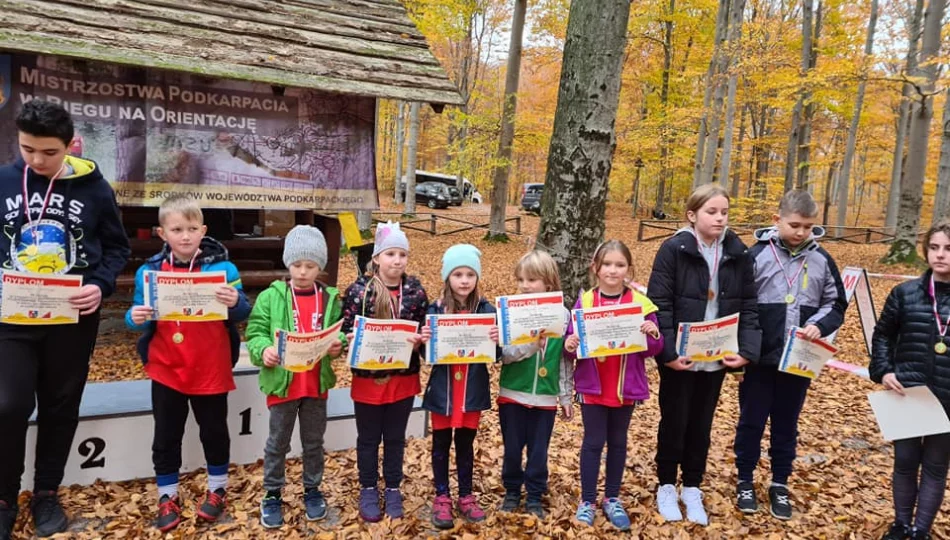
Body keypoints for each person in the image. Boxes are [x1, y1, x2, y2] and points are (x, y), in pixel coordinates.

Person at [0, 100, 130, 539]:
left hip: (70, 320)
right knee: (9, 405)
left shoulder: (94, 188)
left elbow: (116, 249)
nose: (36, 160)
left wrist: (100, 284)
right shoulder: (2, 181)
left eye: (48, 152)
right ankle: (3, 495)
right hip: (11, 321)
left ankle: (45, 494)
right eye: (27, 149)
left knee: (60, 406)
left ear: (71, 145)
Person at [126, 194, 250, 532]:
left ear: (203, 230)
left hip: (210, 366)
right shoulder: (149, 271)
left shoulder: (224, 268)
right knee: (167, 434)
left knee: (214, 430)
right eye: (177, 229)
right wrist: (134, 316)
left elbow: (243, 311)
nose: (185, 236)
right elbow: (136, 315)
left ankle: (217, 488)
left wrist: (235, 300)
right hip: (167, 366)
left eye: (192, 228)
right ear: (162, 232)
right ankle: (168, 495)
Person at [647, 183, 760, 525]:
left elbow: (749, 305)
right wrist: (666, 353)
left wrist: (746, 351)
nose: (719, 218)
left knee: (702, 423)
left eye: (724, 212)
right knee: (674, 420)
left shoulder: (738, 253)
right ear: (692, 215)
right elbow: (660, 304)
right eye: (712, 212)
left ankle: (692, 486)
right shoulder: (674, 249)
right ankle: (667, 484)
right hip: (680, 358)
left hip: (716, 356)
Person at [733, 190, 846, 520]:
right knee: (751, 422)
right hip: (759, 360)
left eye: (808, 227)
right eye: (794, 225)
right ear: (776, 220)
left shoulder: (822, 259)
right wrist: (744, 348)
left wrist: (818, 324)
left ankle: (779, 482)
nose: (800, 232)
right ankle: (745, 480)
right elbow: (741, 301)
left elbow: (836, 303)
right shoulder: (755, 255)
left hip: (798, 359)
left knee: (786, 424)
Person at [245, 225, 346, 528]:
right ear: (288, 263)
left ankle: (312, 490)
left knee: (313, 442)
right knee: (278, 442)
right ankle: (272, 493)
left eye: (310, 266)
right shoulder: (270, 297)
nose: (302, 271)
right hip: (282, 385)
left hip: (315, 386)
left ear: (320, 267)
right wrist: (263, 351)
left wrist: (336, 349)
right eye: (297, 264)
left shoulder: (329, 299)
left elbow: (336, 338)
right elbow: (255, 333)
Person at [565, 240, 664, 531]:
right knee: (593, 443)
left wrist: (652, 332)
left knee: (618, 443)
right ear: (595, 268)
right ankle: (587, 501)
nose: (612, 270)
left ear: (628, 269)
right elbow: (572, 345)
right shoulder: (585, 302)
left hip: (625, 386)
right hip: (593, 386)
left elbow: (653, 348)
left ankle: (612, 497)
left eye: (619, 265)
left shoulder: (641, 304)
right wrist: (570, 344)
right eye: (607, 264)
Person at [340, 222, 428, 522]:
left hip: (403, 379)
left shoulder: (415, 291)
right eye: (391, 253)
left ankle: (392, 488)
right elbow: (345, 331)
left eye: (402, 254)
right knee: (367, 438)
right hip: (367, 380)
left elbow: (426, 331)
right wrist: (350, 339)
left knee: (394, 438)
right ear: (376, 258)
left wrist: (421, 343)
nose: (397, 260)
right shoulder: (358, 291)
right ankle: (367, 488)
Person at [871, 220, 950, 540]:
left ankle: (920, 531)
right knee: (904, 462)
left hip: (946, 396)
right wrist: (885, 370)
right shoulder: (904, 293)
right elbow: (882, 336)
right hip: (907, 391)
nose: (940, 255)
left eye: (948, 249)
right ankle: (901, 524)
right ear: (925, 250)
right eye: (934, 247)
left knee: (934, 466)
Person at [423, 244, 500, 529]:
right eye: (458, 274)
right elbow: (424, 354)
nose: (464, 280)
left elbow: (498, 354)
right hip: (443, 391)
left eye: (470, 274)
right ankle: (442, 496)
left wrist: (496, 339)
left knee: (466, 444)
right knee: (441, 444)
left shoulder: (487, 309)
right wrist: (426, 338)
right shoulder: (435, 308)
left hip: (472, 390)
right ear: (448, 278)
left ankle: (466, 495)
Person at [498, 250, 573, 519]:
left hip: (545, 397)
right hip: (512, 394)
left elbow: (565, 360)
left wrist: (565, 396)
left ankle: (535, 494)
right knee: (512, 448)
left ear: (548, 283)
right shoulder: (511, 312)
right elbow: (504, 355)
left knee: (539, 451)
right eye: (521, 279)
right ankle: (512, 491)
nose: (525, 285)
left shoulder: (563, 316)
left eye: (532, 280)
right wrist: (530, 345)